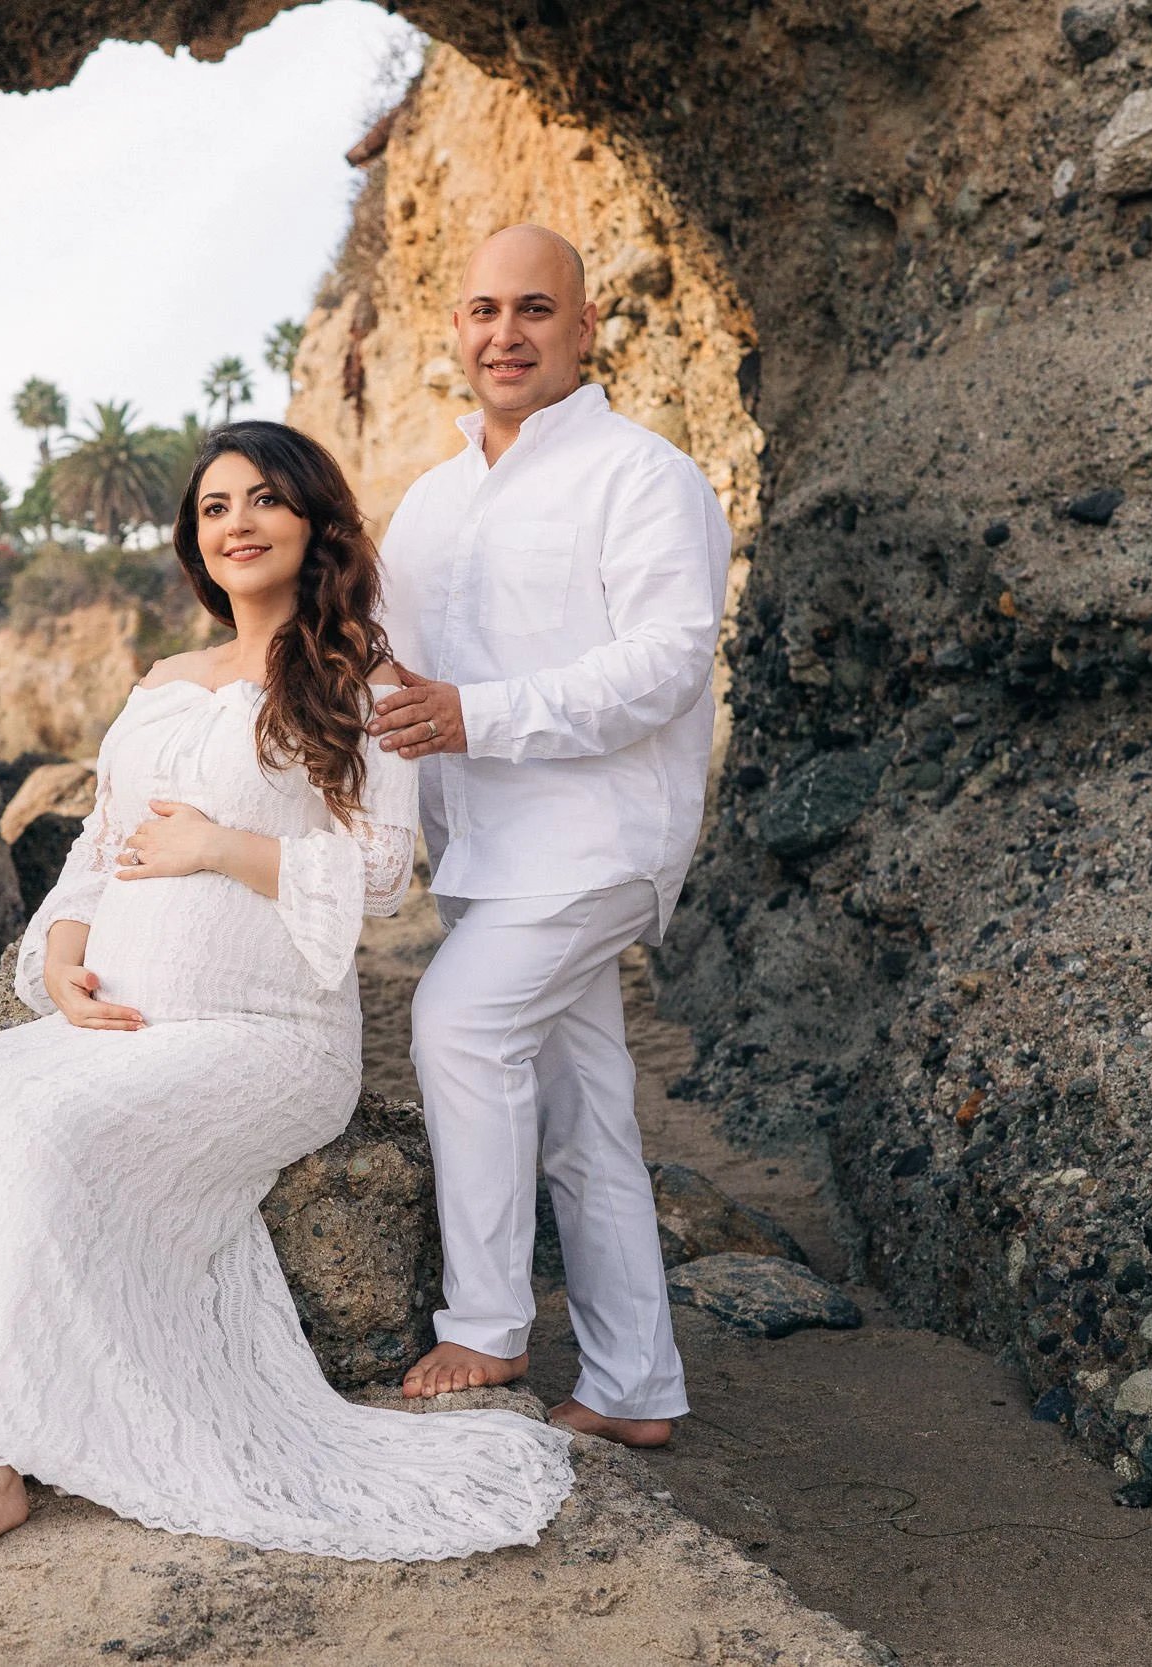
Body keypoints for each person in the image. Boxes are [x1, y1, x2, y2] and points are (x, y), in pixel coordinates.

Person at [0, 422, 574, 1587]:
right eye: (211, 507)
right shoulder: (162, 684)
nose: (234, 522)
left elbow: (387, 872)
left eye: (262, 500)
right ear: (194, 540)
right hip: (128, 1014)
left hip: (266, 1034)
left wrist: (218, 846)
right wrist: (61, 963)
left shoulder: (363, 679)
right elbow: (96, 840)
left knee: (39, 1131)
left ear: (312, 522)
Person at [369, 224, 731, 1448]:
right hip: (481, 851)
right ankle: (634, 1387)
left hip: (595, 842)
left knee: (456, 1024)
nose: (504, 334)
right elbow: (377, 660)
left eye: (534, 309)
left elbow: (669, 663)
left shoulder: (642, 475)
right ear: (456, 330)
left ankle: (485, 1322)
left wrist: (481, 713)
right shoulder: (427, 500)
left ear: (582, 327)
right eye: (481, 310)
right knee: (586, 1112)